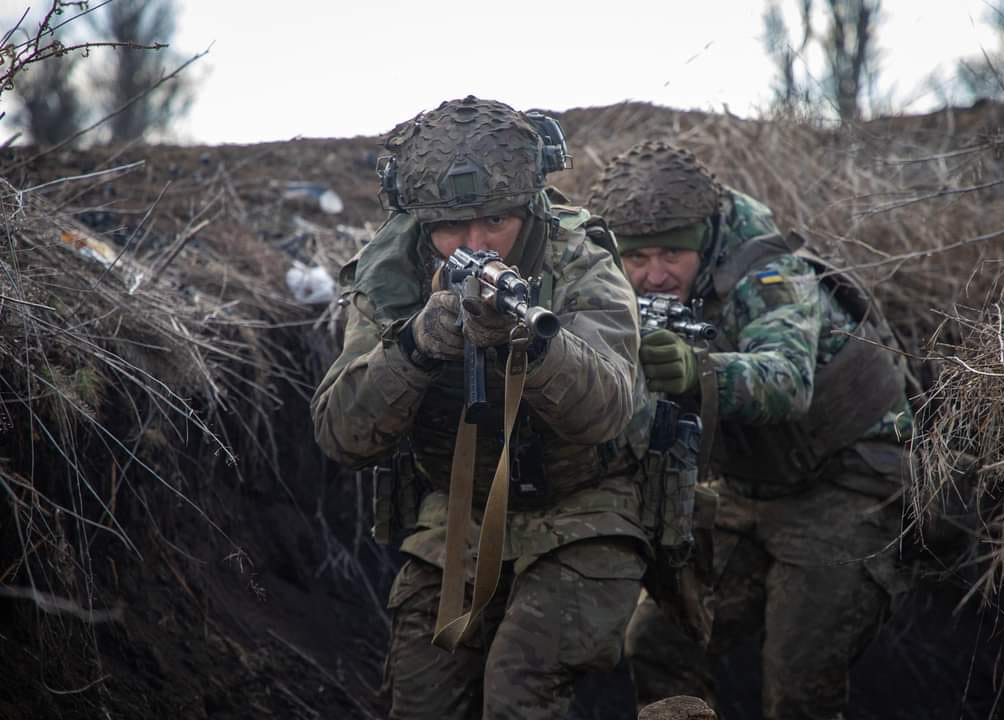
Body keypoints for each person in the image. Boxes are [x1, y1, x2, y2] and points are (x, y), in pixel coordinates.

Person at [311, 96, 649, 720]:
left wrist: (534, 348)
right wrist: (414, 347)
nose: (475, 244)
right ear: (419, 224)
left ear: (526, 208)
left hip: (583, 510)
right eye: (450, 228)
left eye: (494, 220)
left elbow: (609, 410)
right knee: (421, 698)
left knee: (519, 688)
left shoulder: (578, 262)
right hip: (458, 519)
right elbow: (341, 434)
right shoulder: (390, 278)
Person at [588, 140, 913, 720]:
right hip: (747, 491)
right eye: (637, 260)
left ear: (703, 238)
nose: (654, 276)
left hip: (845, 487)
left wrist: (697, 371)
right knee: (658, 647)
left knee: (797, 691)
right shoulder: (617, 283)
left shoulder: (765, 269)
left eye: (671, 255)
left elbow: (787, 381)